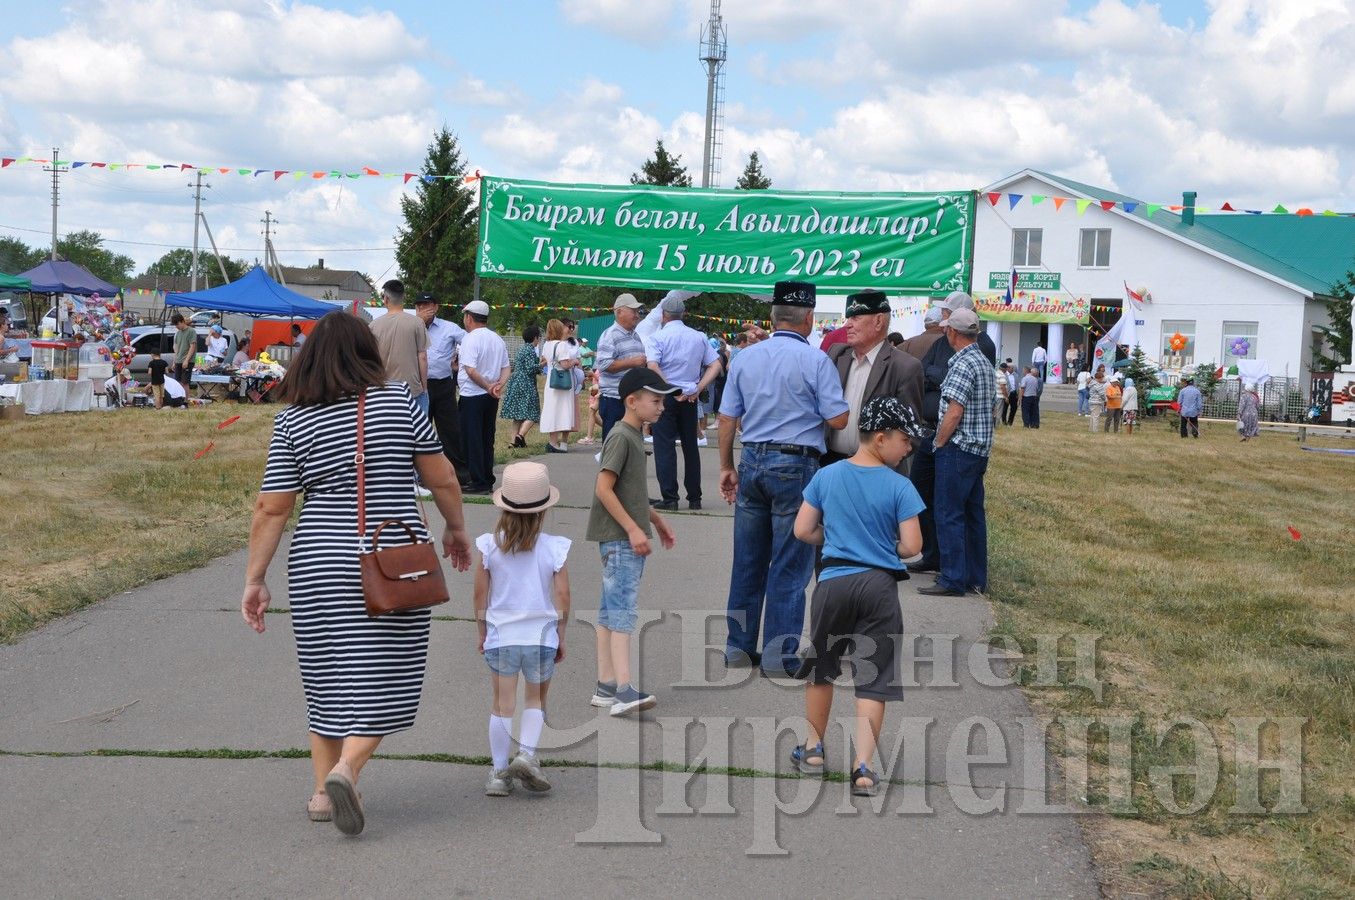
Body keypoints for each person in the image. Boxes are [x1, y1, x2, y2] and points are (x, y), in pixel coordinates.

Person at [240, 311, 472, 836]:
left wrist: (255, 579)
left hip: (318, 562)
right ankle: (348, 768)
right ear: (368, 353)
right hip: (392, 559)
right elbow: (443, 476)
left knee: (327, 679)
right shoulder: (400, 402)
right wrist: (455, 530)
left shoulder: (292, 419)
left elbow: (271, 509)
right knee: (389, 675)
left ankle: (323, 794)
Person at [791, 397, 927, 796]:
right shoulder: (900, 485)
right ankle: (863, 767)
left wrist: (832, 542)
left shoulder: (827, 476)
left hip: (833, 583)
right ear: (881, 438)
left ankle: (814, 749)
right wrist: (885, 549)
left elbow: (802, 530)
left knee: (821, 667)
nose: (909, 449)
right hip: (879, 589)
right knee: (873, 675)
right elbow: (913, 545)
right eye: (905, 440)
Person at [718, 281, 850, 677]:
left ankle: (738, 649)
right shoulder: (815, 362)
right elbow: (838, 419)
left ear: (773, 319)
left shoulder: (744, 357)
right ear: (809, 319)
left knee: (748, 560)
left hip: (752, 460)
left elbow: (727, 418)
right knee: (790, 565)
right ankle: (779, 656)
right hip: (796, 464)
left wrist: (727, 466)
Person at [585, 367, 678, 715]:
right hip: (620, 541)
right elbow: (603, 489)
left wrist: (656, 521)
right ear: (632, 401)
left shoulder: (633, 435)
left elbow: (632, 493)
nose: (662, 407)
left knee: (610, 611)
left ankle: (606, 685)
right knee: (622, 611)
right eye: (655, 401)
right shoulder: (622, 437)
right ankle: (624, 691)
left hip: (620, 538)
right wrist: (633, 530)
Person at [476, 461, 570, 797]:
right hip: (541, 636)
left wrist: (482, 631)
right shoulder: (554, 547)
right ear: (544, 510)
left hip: (501, 635)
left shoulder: (489, 546)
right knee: (534, 700)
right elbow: (563, 595)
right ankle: (527, 755)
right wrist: (561, 631)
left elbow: (480, 594)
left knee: (502, 704)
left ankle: (499, 774)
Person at [911, 292, 997, 573]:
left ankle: (952, 574)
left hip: (952, 441)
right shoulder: (970, 354)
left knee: (950, 510)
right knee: (959, 506)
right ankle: (965, 571)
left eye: (947, 316)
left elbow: (954, 408)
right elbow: (925, 372)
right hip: (963, 442)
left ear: (955, 330)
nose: (942, 322)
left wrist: (939, 442)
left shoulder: (970, 356)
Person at [823, 289, 924, 474]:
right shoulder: (836, 355)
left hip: (876, 470)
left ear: (878, 321)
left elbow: (911, 433)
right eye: (848, 318)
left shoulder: (905, 367)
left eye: (855, 318)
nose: (847, 325)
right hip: (831, 464)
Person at [647, 294, 721, 510]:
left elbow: (653, 366)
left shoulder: (657, 338)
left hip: (666, 396)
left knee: (664, 446)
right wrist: (697, 387)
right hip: (690, 397)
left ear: (663, 316)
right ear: (684, 314)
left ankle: (670, 497)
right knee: (690, 446)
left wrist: (671, 388)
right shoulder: (698, 336)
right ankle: (694, 497)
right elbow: (715, 365)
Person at [415, 292, 469, 487]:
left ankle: (459, 474)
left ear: (436, 307)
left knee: (450, 430)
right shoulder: (410, 326)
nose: (424, 309)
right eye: (420, 306)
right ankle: (419, 476)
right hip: (418, 386)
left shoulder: (449, 328)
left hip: (443, 384)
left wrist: (461, 362)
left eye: (427, 305)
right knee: (420, 431)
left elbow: (470, 343)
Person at [457, 300, 510, 493]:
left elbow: (470, 369)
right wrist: (497, 386)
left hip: (472, 395)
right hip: (490, 397)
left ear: (469, 317)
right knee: (487, 438)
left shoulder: (470, 339)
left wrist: (488, 385)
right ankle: (487, 477)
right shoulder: (497, 338)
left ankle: (477, 480)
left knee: (472, 439)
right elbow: (506, 367)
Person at [369, 279, 430, 414]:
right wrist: (424, 388)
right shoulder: (417, 323)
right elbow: (423, 357)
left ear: (385, 299)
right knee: (417, 433)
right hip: (412, 391)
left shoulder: (373, 325)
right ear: (404, 297)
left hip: (383, 391)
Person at [594, 293, 648, 442]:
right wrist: (632, 362)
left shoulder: (635, 335)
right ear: (619, 312)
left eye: (638, 311)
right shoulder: (610, 335)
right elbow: (603, 364)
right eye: (633, 311)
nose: (637, 315)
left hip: (632, 399)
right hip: (614, 399)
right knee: (614, 446)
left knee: (632, 446)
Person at [540, 318, 582, 453]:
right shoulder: (562, 345)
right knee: (563, 410)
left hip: (551, 381)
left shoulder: (547, 344)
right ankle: (555, 443)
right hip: (563, 382)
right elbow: (565, 364)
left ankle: (552, 441)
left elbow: (545, 360)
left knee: (552, 410)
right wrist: (574, 361)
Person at [502, 324, 543, 449]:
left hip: (516, 382)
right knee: (533, 413)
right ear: (535, 338)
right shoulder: (530, 350)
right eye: (539, 338)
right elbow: (531, 369)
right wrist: (542, 364)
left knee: (518, 415)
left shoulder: (522, 349)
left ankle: (513, 442)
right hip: (526, 384)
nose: (539, 340)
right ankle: (520, 436)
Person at [171, 312, 196, 389]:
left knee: (185, 382)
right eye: (175, 325)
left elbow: (192, 346)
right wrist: (174, 362)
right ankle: (180, 399)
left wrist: (186, 360)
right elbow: (176, 349)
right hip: (178, 360)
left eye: (177, 324)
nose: (176, 326)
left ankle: (185, 400)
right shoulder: (178, 333)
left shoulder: (191, 331)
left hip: (187, 361)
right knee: (178, 382)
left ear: (182, 321)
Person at [579, 375, 601, 445]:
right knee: (591, 413)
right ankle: (609, 427)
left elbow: (603, 380)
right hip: (595, 393)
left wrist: (593, 375)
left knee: (592, 412)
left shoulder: (603, 366)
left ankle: (589, 437)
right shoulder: (599, 366)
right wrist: (591, 378)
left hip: (599, 394)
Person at [1088, 366, 1108, 432]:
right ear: (1099, 378)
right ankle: (1095, 430)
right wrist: (1105, 399)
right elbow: (1102, 394)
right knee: (1096, 416)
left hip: (1091, 401)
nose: (1103, 379)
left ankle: (1091, 429)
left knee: (1092, 416)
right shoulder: (1097, 385)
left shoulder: (1092, 383)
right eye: (1102, 378)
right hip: (1097, 402)